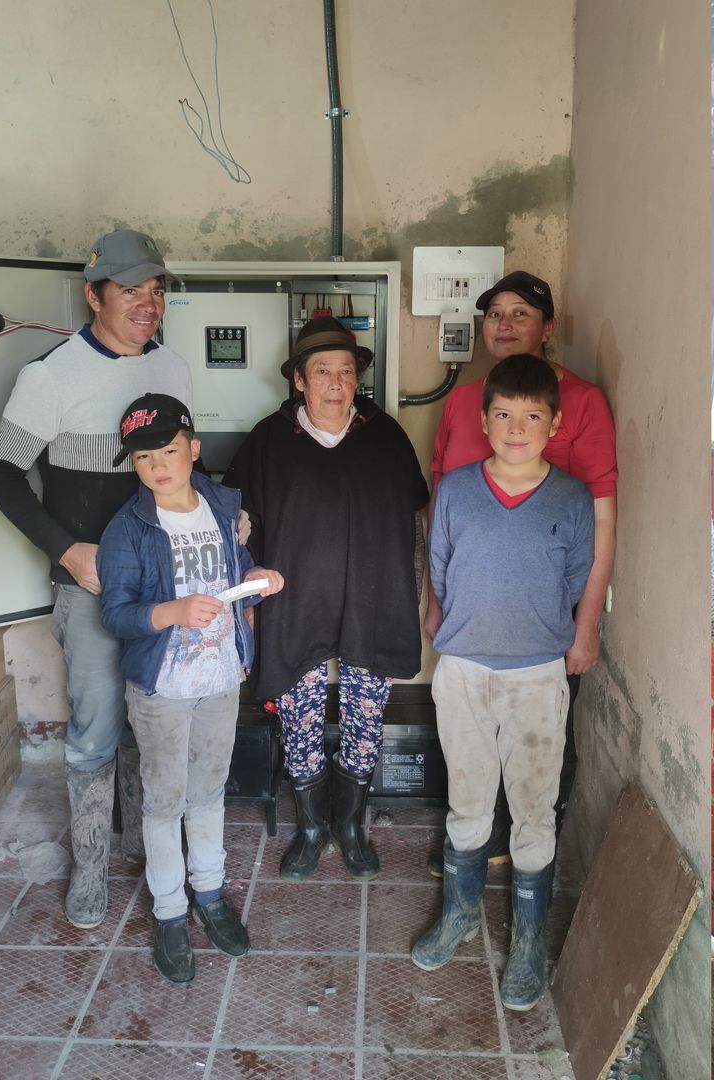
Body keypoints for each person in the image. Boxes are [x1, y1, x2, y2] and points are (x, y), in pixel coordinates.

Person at [0, 228, 193, 928]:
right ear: (93, 294)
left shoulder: (177, 368)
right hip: (93, 588)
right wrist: (67, 550)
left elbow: (188, 472)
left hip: (164, 586)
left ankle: (143, 846)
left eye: (156, 290)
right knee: (98, 730)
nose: (147, 303)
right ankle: (92, 868)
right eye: (131, 289)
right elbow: (0, 472)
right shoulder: (52, 374)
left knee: (153, 720)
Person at [411, 356, 593, 1011]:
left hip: (538, 677)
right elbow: (440, 564)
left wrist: (539, 628)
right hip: (463, 671)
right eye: (504, 415)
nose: (517, 429)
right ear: (485, 421)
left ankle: (526, 942)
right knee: (468, 801)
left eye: (532, 416)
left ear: (554, 424)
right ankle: (460, 916)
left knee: (533, 808)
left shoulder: (571, 500)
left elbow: (574, 579)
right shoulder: (457, 491)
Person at [223, 318, 430, 880]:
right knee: (300, 714)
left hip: (374, 597)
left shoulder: (384, 435)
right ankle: (312, 827)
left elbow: (414, 520)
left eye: (346, 372)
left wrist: (410, 593)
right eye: (323, 372)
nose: (337, 383)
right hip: (295, 603)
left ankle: (350, 827)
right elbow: (240, 523)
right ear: (299, 380)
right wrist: (245, 597)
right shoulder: (269, 440)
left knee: (366, 713)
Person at [425, 271, 615, 872]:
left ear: (548, 328)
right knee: (468, 750)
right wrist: (435, 600)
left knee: (538, 754)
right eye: (495, 315)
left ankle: (523, 842)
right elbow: (441, 510)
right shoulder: (464, 398)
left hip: (539, 628)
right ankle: (472, 842)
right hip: (471, 623)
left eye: (522, 314)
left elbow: (598, 523)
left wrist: (585, 625)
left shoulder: (581, 403)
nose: (505, 325)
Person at [97, 394, 283, 985]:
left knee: (208, 792)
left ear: (194, 449)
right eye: (144, 457)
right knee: (164, 799)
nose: (158, 465)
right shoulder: (128, 528)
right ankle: (170, 912)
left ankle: (209, 892)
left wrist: (256, 579)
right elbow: (116, 614)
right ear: (133, 464)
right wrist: (171, 611)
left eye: (170, 451)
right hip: (162, 689)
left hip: (220, 678)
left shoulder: (224, 505)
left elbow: (238, 572)